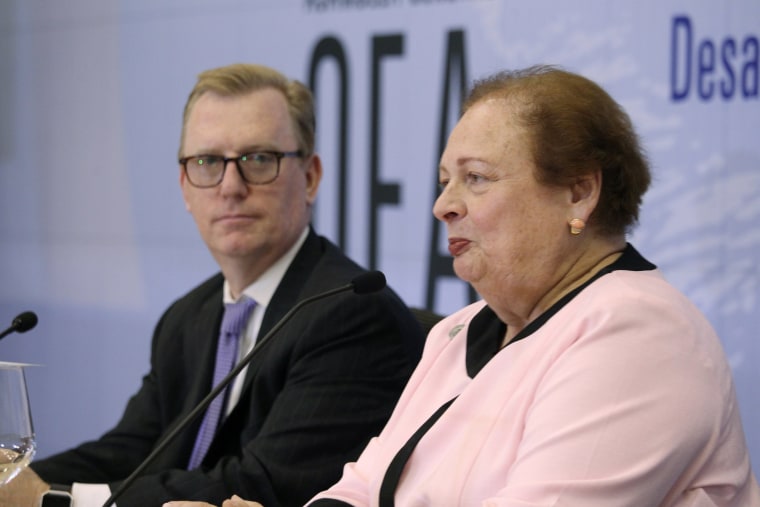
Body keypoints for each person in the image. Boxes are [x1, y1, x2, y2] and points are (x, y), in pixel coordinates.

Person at [169, 64, 760, 507]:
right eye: (445, 180)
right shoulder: (459, 332)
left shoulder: (637, 335)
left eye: (475, 179)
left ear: (579, 192)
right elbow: (359, 490)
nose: (442, 206)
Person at [0, 63, 425, 507]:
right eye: (207, 162)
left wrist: (54, 500)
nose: (230, 186)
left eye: (258, 159)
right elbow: (131, 449)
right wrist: (16, 480)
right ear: (185, 186)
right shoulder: (190, 315)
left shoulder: (351, 314)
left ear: (311, 177)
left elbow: (266, 484)